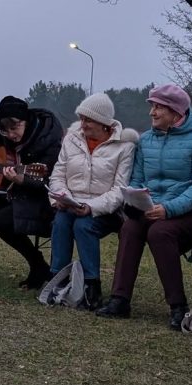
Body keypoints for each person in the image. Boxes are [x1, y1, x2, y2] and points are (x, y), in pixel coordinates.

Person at [94, 83, 192, 329]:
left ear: (176, 112)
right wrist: (134, 198)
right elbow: (137, 178)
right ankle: (120, 299)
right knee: (129, 229)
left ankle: (178, 306)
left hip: (188, 213)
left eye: (158, 107)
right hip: (150, 208)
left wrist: (169, 208)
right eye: (152, 107)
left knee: (160, 232)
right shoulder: (146, 140)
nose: (152, 112)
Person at [46, 93, 139, 310]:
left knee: (84, 225)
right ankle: (57, 279)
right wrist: (59, 196)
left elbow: (120, 189)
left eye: (88, 120)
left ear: (103, 122)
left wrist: (91, 207)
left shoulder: (124, 147)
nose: (83, 124)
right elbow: (58, 174)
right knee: (61, 221)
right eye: (81, 118)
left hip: (106, 209)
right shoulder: (71, 139)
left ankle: (91, 286)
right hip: (71, 202)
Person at [0, 95, 63, 288]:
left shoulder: (48, 138)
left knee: (1, 221)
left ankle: (38, 264)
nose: (11, 135)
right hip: (11, 191)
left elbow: (50, 181)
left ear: (26, 121)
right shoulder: (6, 134)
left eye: (14, 128)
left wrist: (23, 179)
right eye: (5, 130)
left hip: (39, 198)